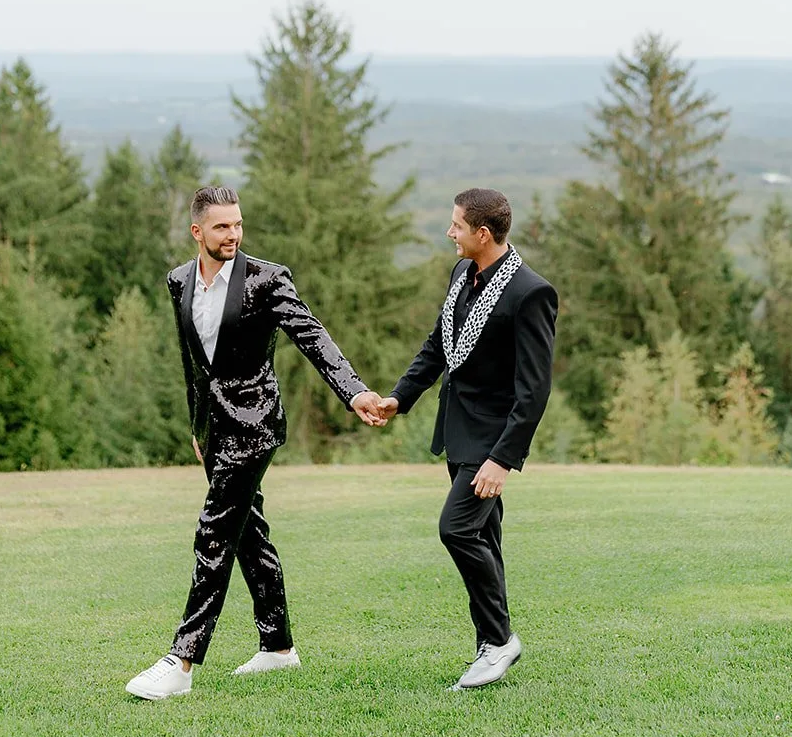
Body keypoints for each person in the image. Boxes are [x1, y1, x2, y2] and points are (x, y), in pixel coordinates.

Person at [126, 185, 387, 700]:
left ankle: (181, 660)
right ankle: (279, 647)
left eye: (238, 224)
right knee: (249, 534)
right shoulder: (178, 281)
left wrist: (353, 391)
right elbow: (193, 367)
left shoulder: (267, 280)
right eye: (222, 227)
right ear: (197, 231)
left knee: (215, 532)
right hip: (214, 429)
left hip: (254, 424)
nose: (234, 235)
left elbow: (312, 336)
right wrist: (197, 427)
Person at [378, 187, 557, 690]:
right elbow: (438, 345)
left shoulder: (530, 292)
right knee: (484, 536)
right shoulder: (462, 274)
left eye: (456, 225)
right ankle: (491, 643)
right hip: (457, 431)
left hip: (492, 442)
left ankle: (499, 641)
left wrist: (504, 459)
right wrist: (399, 398)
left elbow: (534, 389)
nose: (449, 232)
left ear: (483, 233)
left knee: (456, 528)